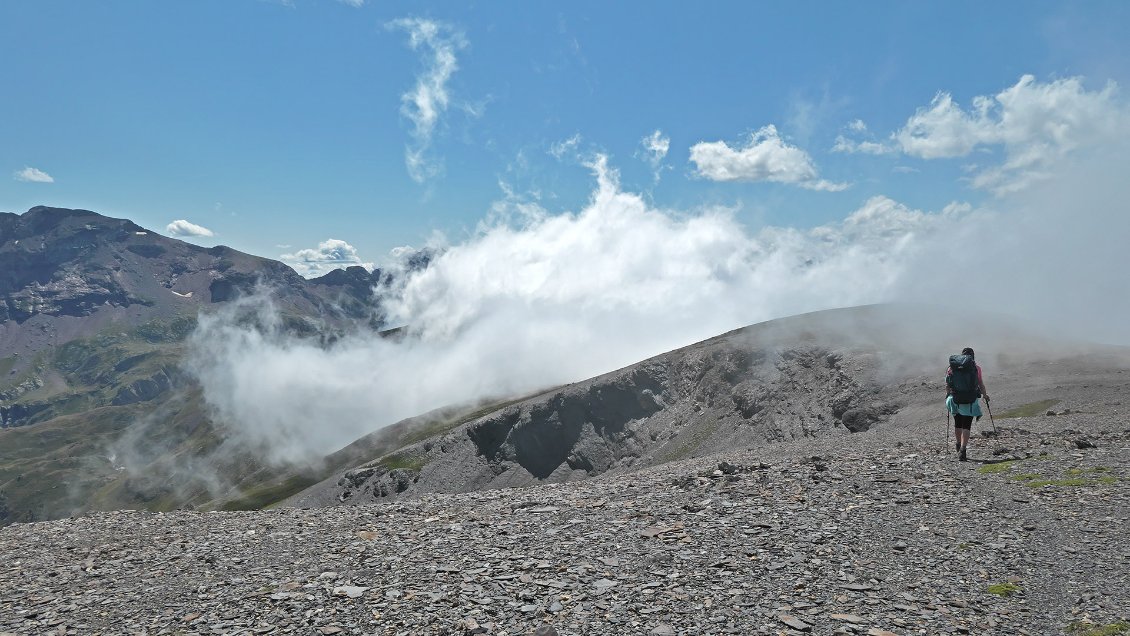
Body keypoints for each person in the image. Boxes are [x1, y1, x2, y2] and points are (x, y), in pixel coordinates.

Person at [946, 347, 989, 461]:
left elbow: (948, 384)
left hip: (955, 399)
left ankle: (958, 444)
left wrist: (948, 394)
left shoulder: (952, 367)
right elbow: (980, 383)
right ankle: (963, 449)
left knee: (958, 423)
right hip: (970, 399)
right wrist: (985, 395)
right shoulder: (976, 368)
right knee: (967, 425)